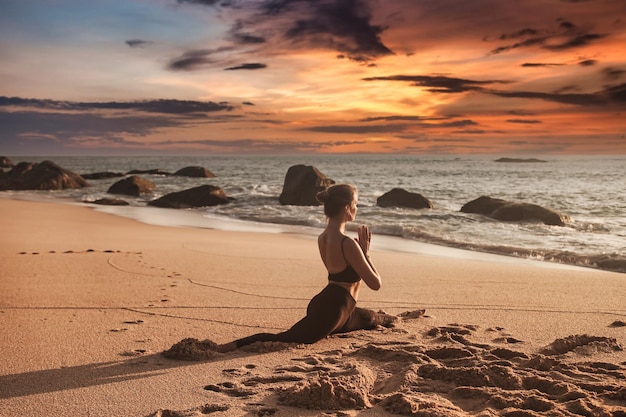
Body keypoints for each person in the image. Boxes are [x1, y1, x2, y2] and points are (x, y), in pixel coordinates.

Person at [216, 183, 393, 353]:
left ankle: (399, 317)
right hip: (334, 310)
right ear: (347, 208)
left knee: (372, 318)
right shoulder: (347, 243)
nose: (356, 207)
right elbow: (375, 284)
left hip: (336, 306)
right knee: (285, 338)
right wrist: (366, 254)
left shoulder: (322, 238)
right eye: (355, 203)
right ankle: (227, 347)